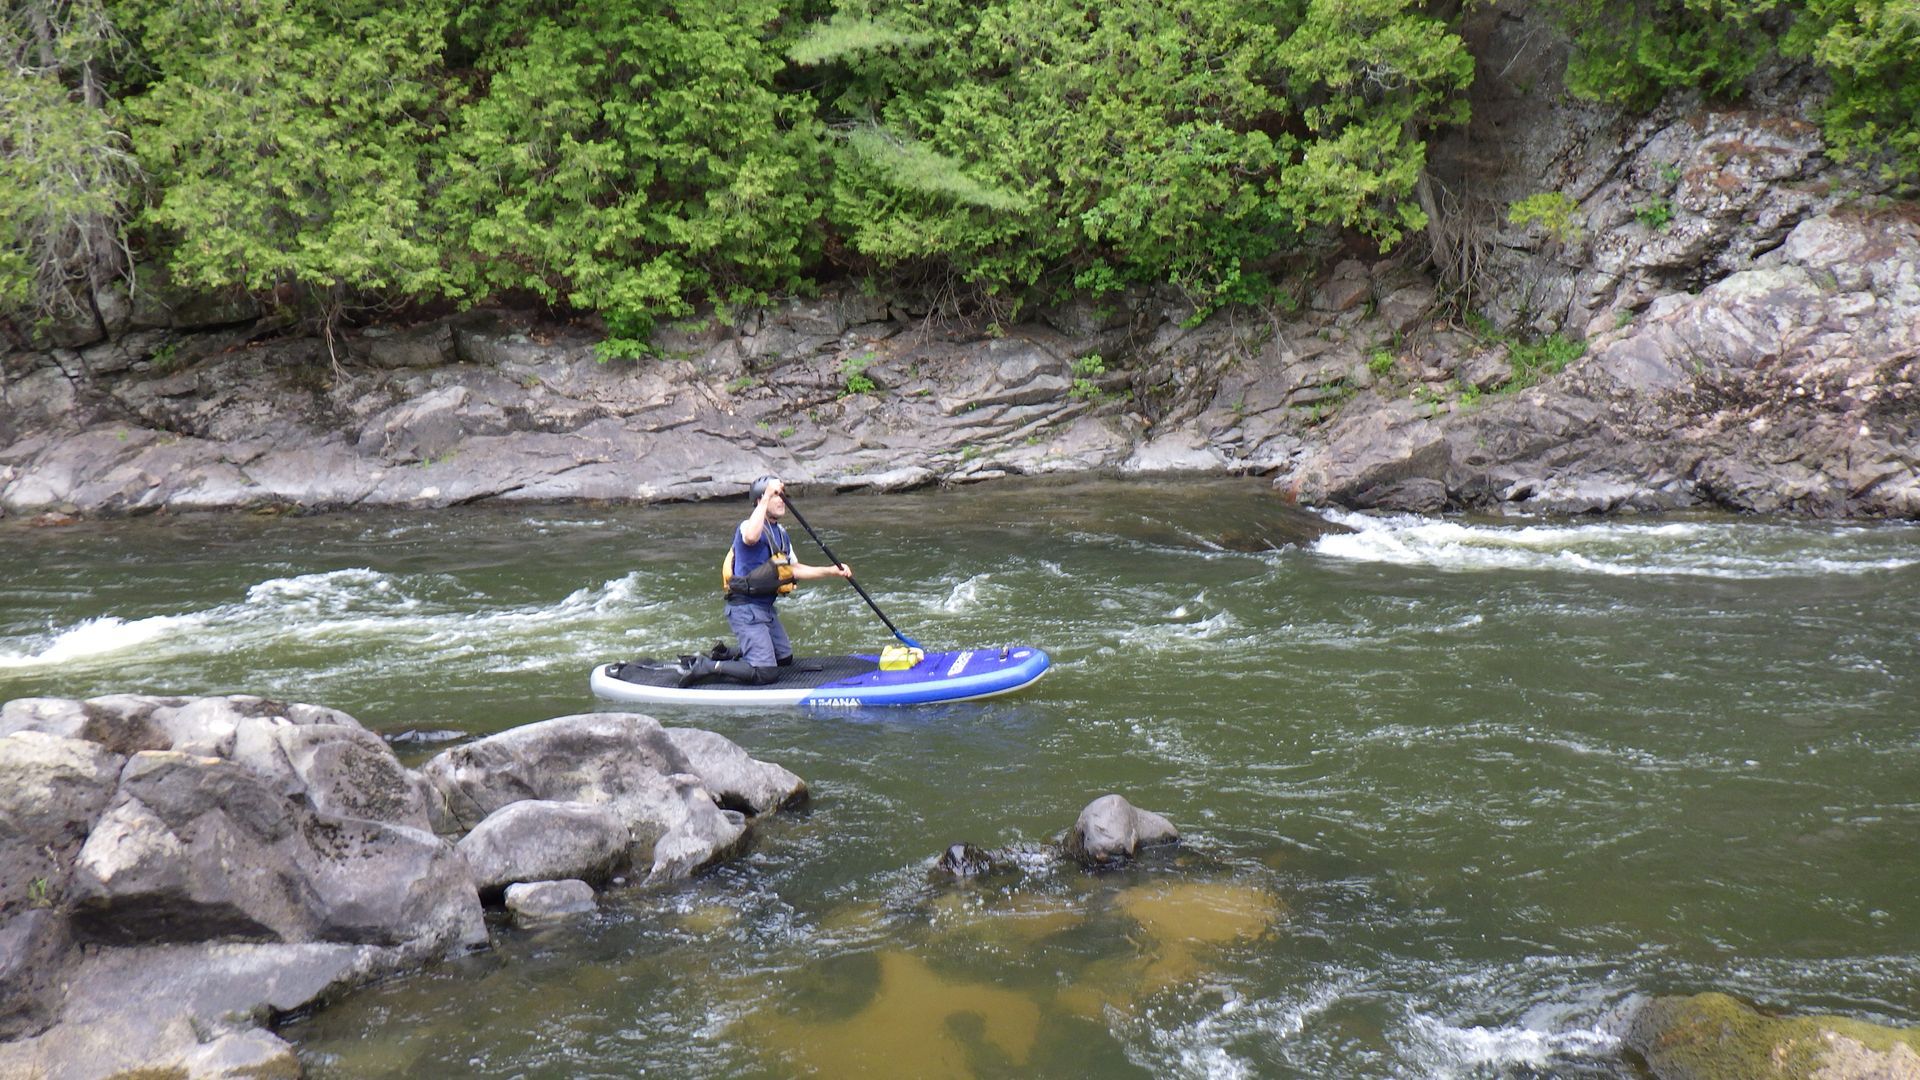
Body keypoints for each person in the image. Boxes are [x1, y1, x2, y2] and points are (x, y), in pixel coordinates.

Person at [679, 476, 852, 686]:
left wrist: (831, 571)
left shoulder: (781, 534)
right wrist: (767, 494)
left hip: (765, 609)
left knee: (784, 659)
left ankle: (728, 653)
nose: (782, 500)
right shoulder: (747, 527)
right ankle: (707, 666)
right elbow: (751, 537)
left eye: (782, 496)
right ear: (761, 500)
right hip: (745, 610)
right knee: (765, 672)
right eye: (776, 496)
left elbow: (794, 569)